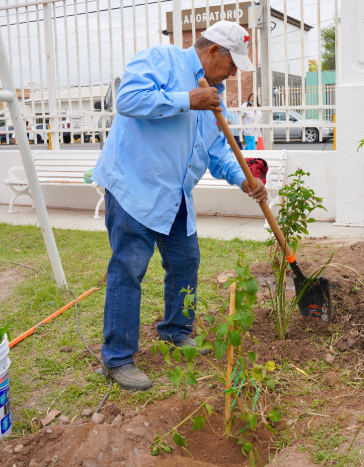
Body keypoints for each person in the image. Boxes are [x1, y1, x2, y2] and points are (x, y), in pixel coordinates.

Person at [92, 21, 268, 390]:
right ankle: (117, 359)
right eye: (231, 64)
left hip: (175, 194)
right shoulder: (162, 59)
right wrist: (188, 99)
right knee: (129, 269)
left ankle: (175, 331)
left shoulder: (215, 96)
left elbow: (217, 150)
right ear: (212, 52)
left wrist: (244, 178)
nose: (234, 73)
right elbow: (128, 100)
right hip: (135, 187)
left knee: (186, 261)